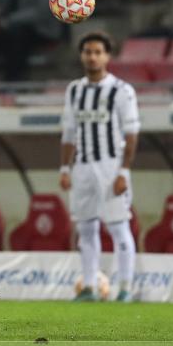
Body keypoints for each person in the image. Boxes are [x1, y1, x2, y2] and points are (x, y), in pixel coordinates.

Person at [59, 32, 140, 302]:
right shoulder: (74, 90)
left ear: (107, 56)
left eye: (97, 52)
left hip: (110, 166)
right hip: (82, 168)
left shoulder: (121, 90)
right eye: (87, 52)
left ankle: (126, 288)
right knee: (86, 230)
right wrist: (65, 169)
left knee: (118, 228)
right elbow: (69, 132)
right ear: (81, 55)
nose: (92, 57)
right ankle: (90, 287)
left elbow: (131, 134)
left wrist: (124, 171)